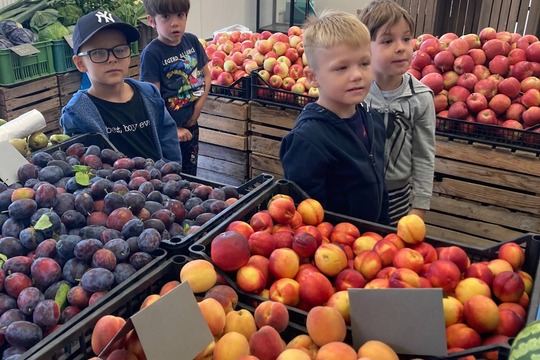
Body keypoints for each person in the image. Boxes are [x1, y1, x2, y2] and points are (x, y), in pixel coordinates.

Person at [279, 10, 390, 225]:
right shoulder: (307, 141)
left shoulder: (373, 120)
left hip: (372, 244)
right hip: (335, 252)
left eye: (364, 63)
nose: (357, 74)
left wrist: (384, 231)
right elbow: (307, 221)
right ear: (313, 78)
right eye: (342, 67)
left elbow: (381, 186)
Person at [60, 10, 182, 164]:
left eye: (119, 50)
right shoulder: (77, 113)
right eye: (98, 53)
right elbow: (80, 163)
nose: (112, 59)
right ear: (80, 63)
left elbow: (168, 140)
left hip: (158, 184)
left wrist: (173, 174)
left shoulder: (149, 94)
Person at [359, 0, 436, 226]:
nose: (401, 47)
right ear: (365, 48)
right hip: (358, 189)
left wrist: (419, 207)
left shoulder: (421, 97)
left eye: (406, 38)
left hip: (398, 197)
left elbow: (424, 155)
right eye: (388, 40)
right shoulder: (355, 92)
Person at [139, 0, 211, 175]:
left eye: (180, 15)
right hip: (167, 132)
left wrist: (197, 110)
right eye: (165, 17)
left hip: (191, 123)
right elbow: (152, 99)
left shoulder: (192, 42)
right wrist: (173, 129)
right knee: (172, 175)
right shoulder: (152, 54)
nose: (175, 23)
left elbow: (206, 76)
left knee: (191, 170)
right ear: (152, 21)